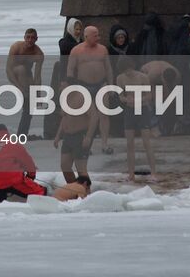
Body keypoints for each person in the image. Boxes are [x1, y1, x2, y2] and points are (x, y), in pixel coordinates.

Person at [67, 25, 113, 154]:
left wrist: (111, 85)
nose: (98, 38)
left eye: (98, 35)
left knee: (104, 114)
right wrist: (72, 88)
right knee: (88, 117)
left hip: (101, 84)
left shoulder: (103, 49)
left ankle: (105, 144)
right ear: (86, 36)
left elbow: (108, 69)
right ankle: (88, 145)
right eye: (95, 35)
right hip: (83, 85)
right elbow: (70, 69)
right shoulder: (76, 50)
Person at [115, 63, 158, 182]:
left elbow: (149, 95)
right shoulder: (120, 78)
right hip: (129, 109)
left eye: (129, 71)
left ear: (132, 67)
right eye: (125, 72)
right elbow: (120, 96)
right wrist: (126, 99)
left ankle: (153, 172)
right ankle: (131, 173)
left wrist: (139, 99)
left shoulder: (143, 77)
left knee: (146, 142)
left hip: (142, 108)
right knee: (129, 144)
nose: (128, 74)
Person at [0, 125, 46, 202]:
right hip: (14, 181)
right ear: (7, 134)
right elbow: (28, 163)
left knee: (3, 192)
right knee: (41, 191)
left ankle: (2, 204)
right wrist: (31, 175)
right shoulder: (14, 145)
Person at [53, 78, 95, 184]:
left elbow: (94, 117)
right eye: (61, 86)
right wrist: (58, 136)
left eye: (64, 86)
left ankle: (86, 192)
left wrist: (88, 137)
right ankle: (73, 188)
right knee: (65, 166)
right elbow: (64, 118)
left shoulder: (82, 98)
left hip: (80, 135)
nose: (61, 89)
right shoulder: (64, 99)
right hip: (67, 136)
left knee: (80, 167)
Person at [6, 28, 45, 139]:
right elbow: (8, 70)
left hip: (27, 77)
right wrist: (19, 88)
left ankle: (22, 134)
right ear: (24, 38)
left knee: (29, 108)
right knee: (22, 69)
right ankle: (21, 134)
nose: (30, 40)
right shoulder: (16, 47)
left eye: (32, 38)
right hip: (15, 73)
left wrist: (38, 95)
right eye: (28, 37)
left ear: (36, 39)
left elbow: (37, 76)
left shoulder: (38, 53)